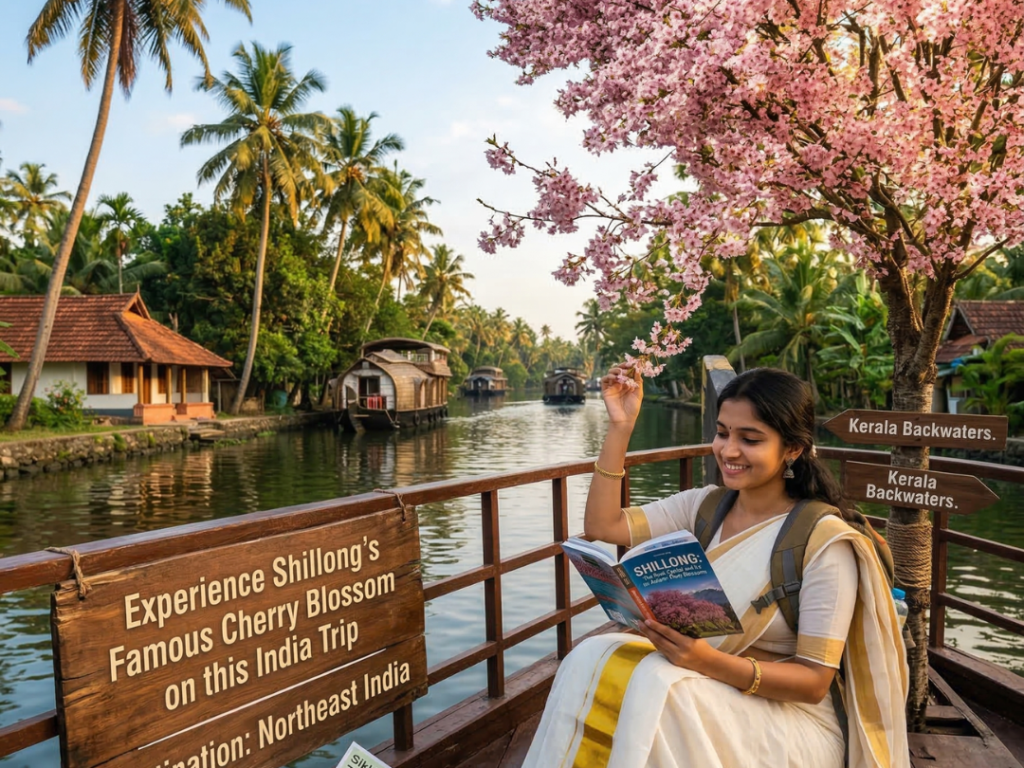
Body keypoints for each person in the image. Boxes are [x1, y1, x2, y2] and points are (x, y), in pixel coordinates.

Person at [524, 364, 909, 768]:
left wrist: (706, 661)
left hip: (791, 722)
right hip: (705, 682)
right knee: (590, 656)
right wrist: (620, 427)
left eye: (751, 439)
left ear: (793, 448)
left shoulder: (823, 541)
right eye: (723, 432)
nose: (728, 450)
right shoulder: (705, 507)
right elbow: (603, 526)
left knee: (660, 690)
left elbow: (814, 683)